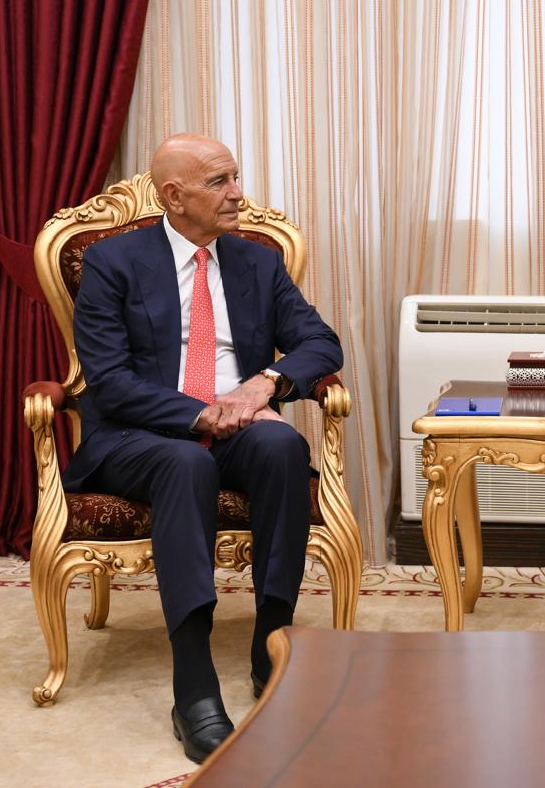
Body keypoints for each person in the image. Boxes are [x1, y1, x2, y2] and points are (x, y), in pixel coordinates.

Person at [62, 134, 343, 763]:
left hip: (238, 423)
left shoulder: (256, 262)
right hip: (140, 436)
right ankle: (192, 685)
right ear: (174, 195)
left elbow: (321, 342)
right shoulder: (112, 261)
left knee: (282, 445)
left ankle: (272, 647)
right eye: (219, 181)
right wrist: (202, 415)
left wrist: (264, 384)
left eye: (235, 177)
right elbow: (109, 382)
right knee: (186, 459)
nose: (238, 193)